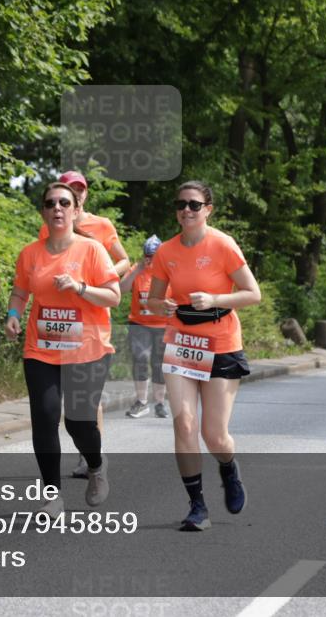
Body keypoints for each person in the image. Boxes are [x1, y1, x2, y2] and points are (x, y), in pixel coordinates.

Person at [146, 181, 261, 532]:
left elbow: (252, 293)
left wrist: (214, 300)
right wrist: (160, 306)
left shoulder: (223, 245)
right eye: (181, 204)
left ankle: (228, 466)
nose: (186, 210)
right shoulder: (166, 251)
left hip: (221, 343)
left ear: (208, 209)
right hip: (181, 342)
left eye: (194, 205)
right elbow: (152, 300)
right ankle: (197, 506)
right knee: (183, 423)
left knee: (214, 436)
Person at [6, 182, 121, 518]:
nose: (57, 208)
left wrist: (80, 287)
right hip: (41, 348)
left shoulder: (91, 250)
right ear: (43, 211)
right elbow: (20, 293)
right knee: (44, 417)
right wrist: (13, 315)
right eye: (50, 203)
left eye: (64, 203)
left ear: (74, 210)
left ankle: (96, 467)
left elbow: (113, 296)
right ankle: (52, 496)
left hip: (88, 349)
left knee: (78, 422)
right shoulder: (30, 253)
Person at [39, 171, 130, 478]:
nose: (75, 193)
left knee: (86, 400)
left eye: (79, 189)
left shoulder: (101, 226)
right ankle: (87, 453)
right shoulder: (49, 225)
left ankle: (91, 453)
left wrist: (96, 276)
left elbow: (124, 262)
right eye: (70, 188)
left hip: (92, 309)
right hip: (58, 323)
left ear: (84, 196)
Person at [121, 235, 171, 419]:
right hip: (139, 323)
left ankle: (159, 403)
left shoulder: (168, 271)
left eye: (154, 256)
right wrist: (136, 271)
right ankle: (141, 402)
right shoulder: (137, 268)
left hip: (162, 324)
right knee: (140, 357)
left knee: (159, 364)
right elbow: (121, 289)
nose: (150, 260)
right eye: (147, 256)